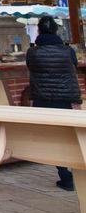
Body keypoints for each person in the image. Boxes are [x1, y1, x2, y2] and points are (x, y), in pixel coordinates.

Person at [26, 14, 82, 191]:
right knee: (70, 138)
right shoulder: (68, 51)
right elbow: (74, 67)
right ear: (57, 31)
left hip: (43, 99)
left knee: (53, 140)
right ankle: (78, 173)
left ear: (39, 31)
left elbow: (30, 67)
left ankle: (66, 177)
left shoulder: (32, 53)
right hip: (66, 100)